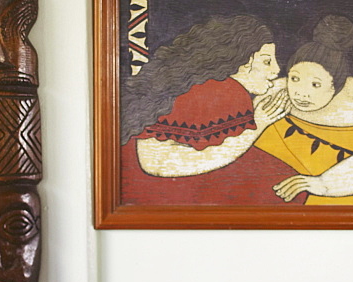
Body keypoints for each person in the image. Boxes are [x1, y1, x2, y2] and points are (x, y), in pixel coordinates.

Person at [120, 14, 298, 206]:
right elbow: (157, 164)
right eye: (266, 61)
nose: (276, 70)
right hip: (160, 194)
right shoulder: (226, 93)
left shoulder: (195, 86)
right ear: (238, 60)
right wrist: (259, 123)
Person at [254, 15, 353, 205]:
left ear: (336, 86)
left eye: (315, 84)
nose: (302, 93)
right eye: (295, 79)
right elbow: (243, 130)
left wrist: (323, 184)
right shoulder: (275, 91)